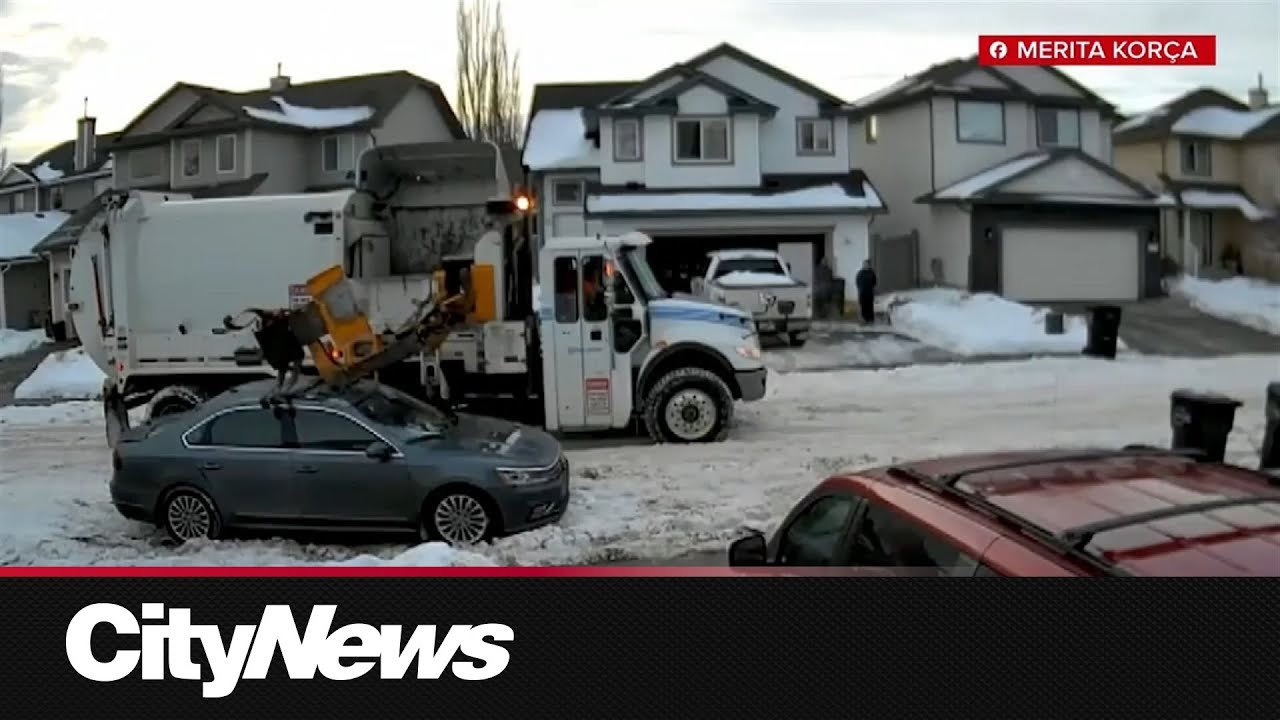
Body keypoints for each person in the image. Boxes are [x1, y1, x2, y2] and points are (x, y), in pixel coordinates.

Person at [854, 259, 877, 324]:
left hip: (869, 292)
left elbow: (874, 282)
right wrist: (860, 289)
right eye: (864, 264)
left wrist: (872, 288)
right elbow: (857, 282)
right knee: (863, 306)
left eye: (867, 264)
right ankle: (864, 319)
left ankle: (870, 319)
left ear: (869, 265)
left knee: (870, 306)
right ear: (863, 265)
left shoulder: (872, 273)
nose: (866, 265)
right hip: (862, 292)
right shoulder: (860, 273)